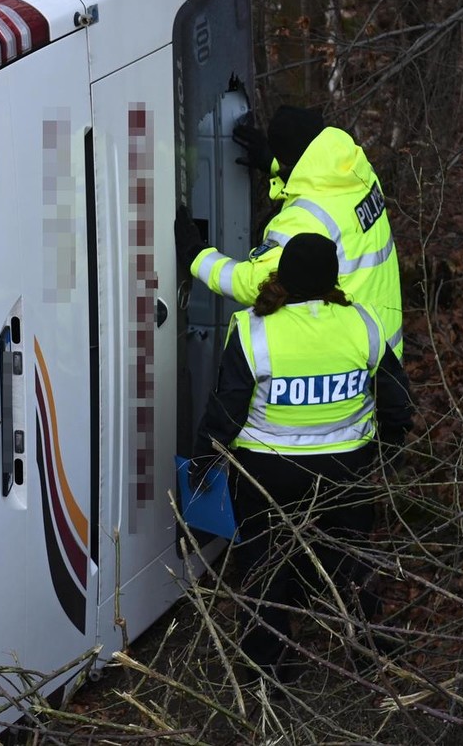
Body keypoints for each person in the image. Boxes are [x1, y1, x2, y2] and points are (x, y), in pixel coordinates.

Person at [184, 233, 413, 685]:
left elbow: (227, 408)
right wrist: (387, 450)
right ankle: (370, 654)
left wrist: (203, 460)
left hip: (267, 474)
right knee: (352, 562)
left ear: (282, 275)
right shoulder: (363, 323)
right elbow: (397, 400)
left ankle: (265, 670)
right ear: (333, 277)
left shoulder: (253, 329)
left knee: (262, 567)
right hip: (346, 472)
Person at [176, 106, 404, 356]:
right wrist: (275, 165)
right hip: (383, 347)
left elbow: (255, 283)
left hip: (350, 361)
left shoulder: (302, 220)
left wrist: (197, 255)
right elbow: (321, 182)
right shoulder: (358, 171)